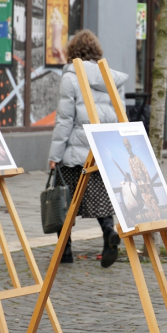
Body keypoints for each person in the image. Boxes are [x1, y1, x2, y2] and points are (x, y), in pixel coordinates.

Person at [48, 29, 129, 265]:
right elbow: (121, 114)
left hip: (75, 153)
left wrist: (54, 155)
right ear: (96, 52)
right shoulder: (110, 78)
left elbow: (64, 121)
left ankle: (65, 252)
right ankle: (108, 234)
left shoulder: (70, 78)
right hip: (103, 150)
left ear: (71, 51)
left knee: (63, 202)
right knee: (99, 198)